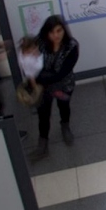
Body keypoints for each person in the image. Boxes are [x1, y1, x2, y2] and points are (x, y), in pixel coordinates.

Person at [32, 15, 79, 159]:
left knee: (64, 106)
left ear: (64, 30)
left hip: (63, 84)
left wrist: (43, 78)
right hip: (43, 87)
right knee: (43, 114)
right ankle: (43, 140)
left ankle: (65, 125)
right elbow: (30, 64)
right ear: (46, 33)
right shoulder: (38, 43)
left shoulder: (71, 46)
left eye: (59, 31)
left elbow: (63, 72)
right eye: (52, 32)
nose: (56, 35)